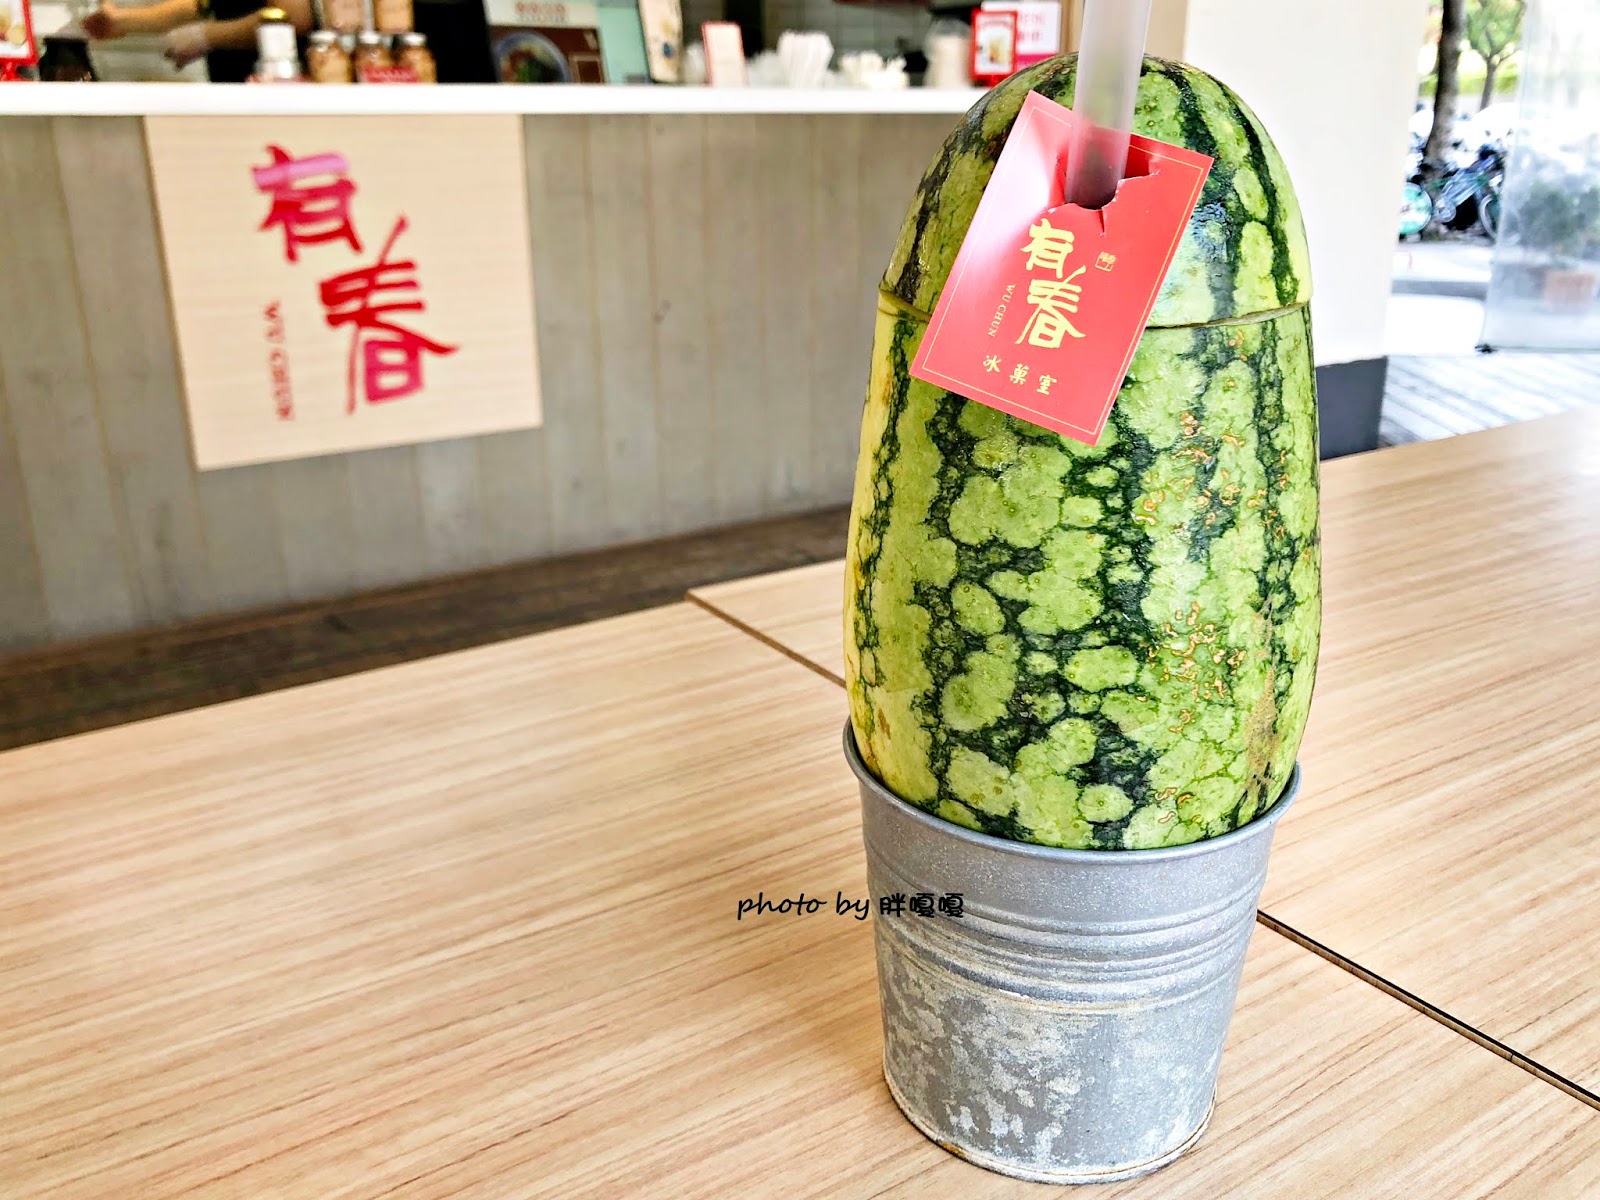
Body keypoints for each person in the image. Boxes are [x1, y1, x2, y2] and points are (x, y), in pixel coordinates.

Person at [83, 0, 312, 81]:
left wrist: (207, 36)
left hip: (280, 86)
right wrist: (124, 21)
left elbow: (294, 15)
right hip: (234, 84)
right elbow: (204, 4)